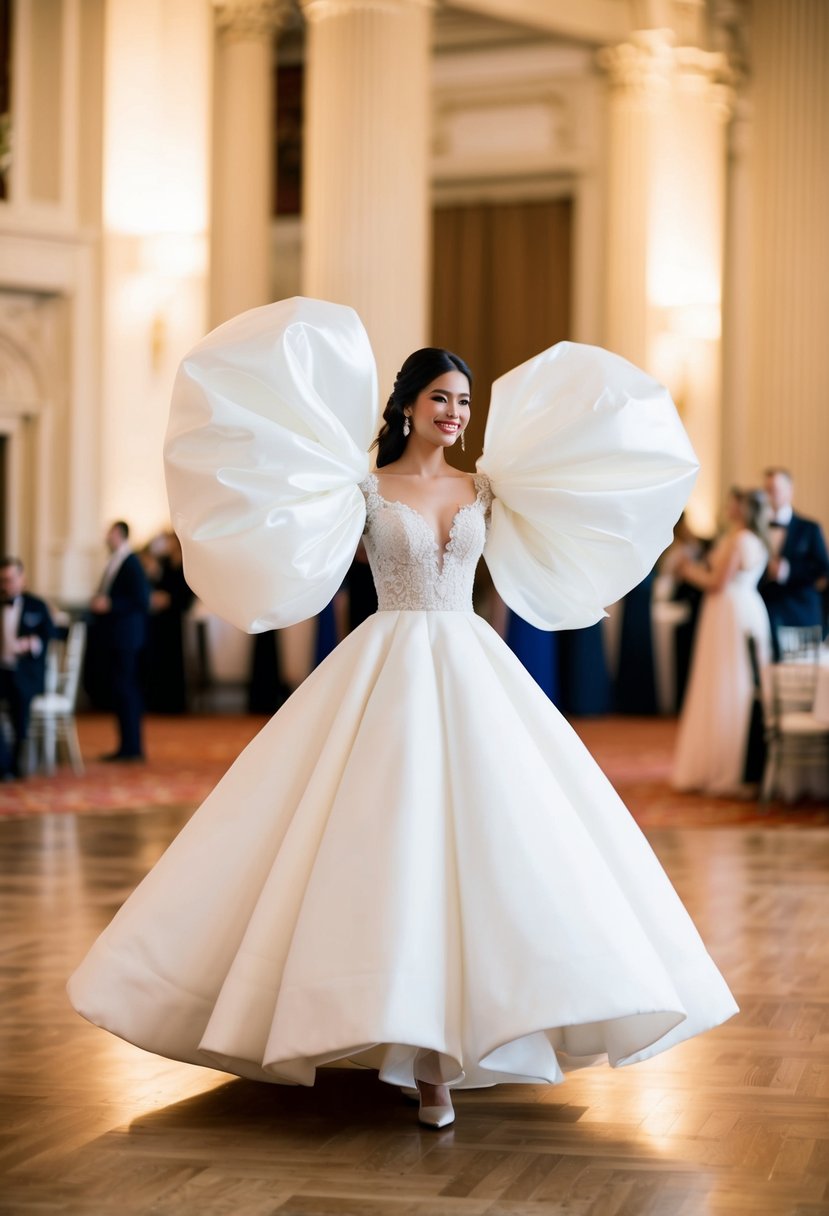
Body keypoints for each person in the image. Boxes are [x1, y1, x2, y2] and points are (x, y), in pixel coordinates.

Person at [68, 297, 737, 1131]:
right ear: (406, 406)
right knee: (375, 841)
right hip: (383, 663)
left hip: (470, 666)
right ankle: (387, 1032)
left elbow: (566, 533)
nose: (455, 414)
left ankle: (458, 1042)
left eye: (463, 402)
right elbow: (285, 533)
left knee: (498, 842)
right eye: (441, 400)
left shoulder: (486, 487)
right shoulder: (363, 488)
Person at [672, 489, 772, 795]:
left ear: (742, 509)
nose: (729, 507)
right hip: (747, 608)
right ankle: (742, 760)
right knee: (739, 681)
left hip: (727, 610)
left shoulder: (740, 540)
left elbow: (717, 583)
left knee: (723, 682)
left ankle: (724, 762)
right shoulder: (757, 539)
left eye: (733, 502)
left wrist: (686, 571)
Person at [84, 521, 150, 762]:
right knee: (121, 691)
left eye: (109, 533)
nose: (106, 537)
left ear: (119, 534)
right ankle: (126, 746)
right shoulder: (117, 560)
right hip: (117, 637)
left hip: (126, 638)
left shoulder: (131, 561)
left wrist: (110, 604)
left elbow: (141, 599)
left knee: (127, 690)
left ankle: (132, 748)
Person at [760, 467, 829, 654]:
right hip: (765, 610)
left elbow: (823, 568)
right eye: (767, 490)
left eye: (775, 489)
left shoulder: (810, 528)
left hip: (800, 611)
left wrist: (789, 571)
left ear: (790, 491)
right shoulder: (757, 530)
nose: (770, 495)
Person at [0, 557, 53, 779]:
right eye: (2, 580)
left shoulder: (37, 605)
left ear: (22, 579)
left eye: (11, 579)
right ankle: (4, 763)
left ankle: (18, 762)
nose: (7, 585)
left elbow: (52, 634)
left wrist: (33, 643)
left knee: (20, 698)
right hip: (2, 671)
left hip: (27, 673)